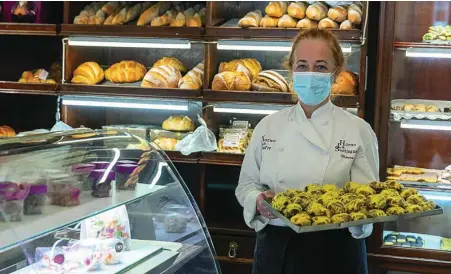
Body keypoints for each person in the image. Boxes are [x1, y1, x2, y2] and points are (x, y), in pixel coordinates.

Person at [235, 29, 379, 274]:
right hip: (276, 248)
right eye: (302, 65)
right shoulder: (268, 126)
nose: (310, 74)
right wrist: (257, 201)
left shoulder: (358, 131)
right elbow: (246, 185)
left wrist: (358, 219)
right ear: (291, 71)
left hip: (335, 251)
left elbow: (369, 201)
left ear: (336, 75)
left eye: (321, 67)